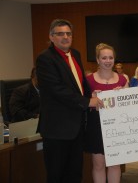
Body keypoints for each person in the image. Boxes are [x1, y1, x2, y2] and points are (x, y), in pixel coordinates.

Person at [36, 19, 101, 183]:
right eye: (60, 34)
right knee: (57, 174)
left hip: (76, 127)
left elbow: (79, 84)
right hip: (57, 129)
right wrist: (87, 102)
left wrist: (90, 94)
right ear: (51, 37)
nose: (65, 37)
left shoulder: (75, 54)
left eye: (68, 33)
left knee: (74, 173)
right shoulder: (45, 59)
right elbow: (57, 90)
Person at [85, 43, 128, 183]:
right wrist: (91, 97)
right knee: (99, 164)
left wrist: (123, 96)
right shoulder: (88, 80)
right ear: (97, 60)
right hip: (96, 126)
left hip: (117, 126)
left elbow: (130, 107)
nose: (108, 61)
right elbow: (81, 102)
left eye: (111, 57)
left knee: (115, 164)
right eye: (104, 58)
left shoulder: (123, 80)